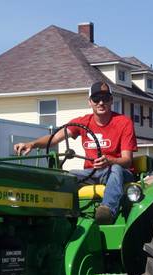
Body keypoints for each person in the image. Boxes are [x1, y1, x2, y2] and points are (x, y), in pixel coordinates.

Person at [13, 81, 138, 224]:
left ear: (111, 101)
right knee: (67, 176)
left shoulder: (124, 123)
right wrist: (32, 144)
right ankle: (56, 215)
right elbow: (54, 139)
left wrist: (109, 161)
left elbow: (127, 160)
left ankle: (107, 211)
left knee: (116, 169)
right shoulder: (83, 122)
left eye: (105, 98)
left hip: (119, 173)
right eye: (96, 99)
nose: (101, 103)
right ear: (90, 102)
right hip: (92, 173)